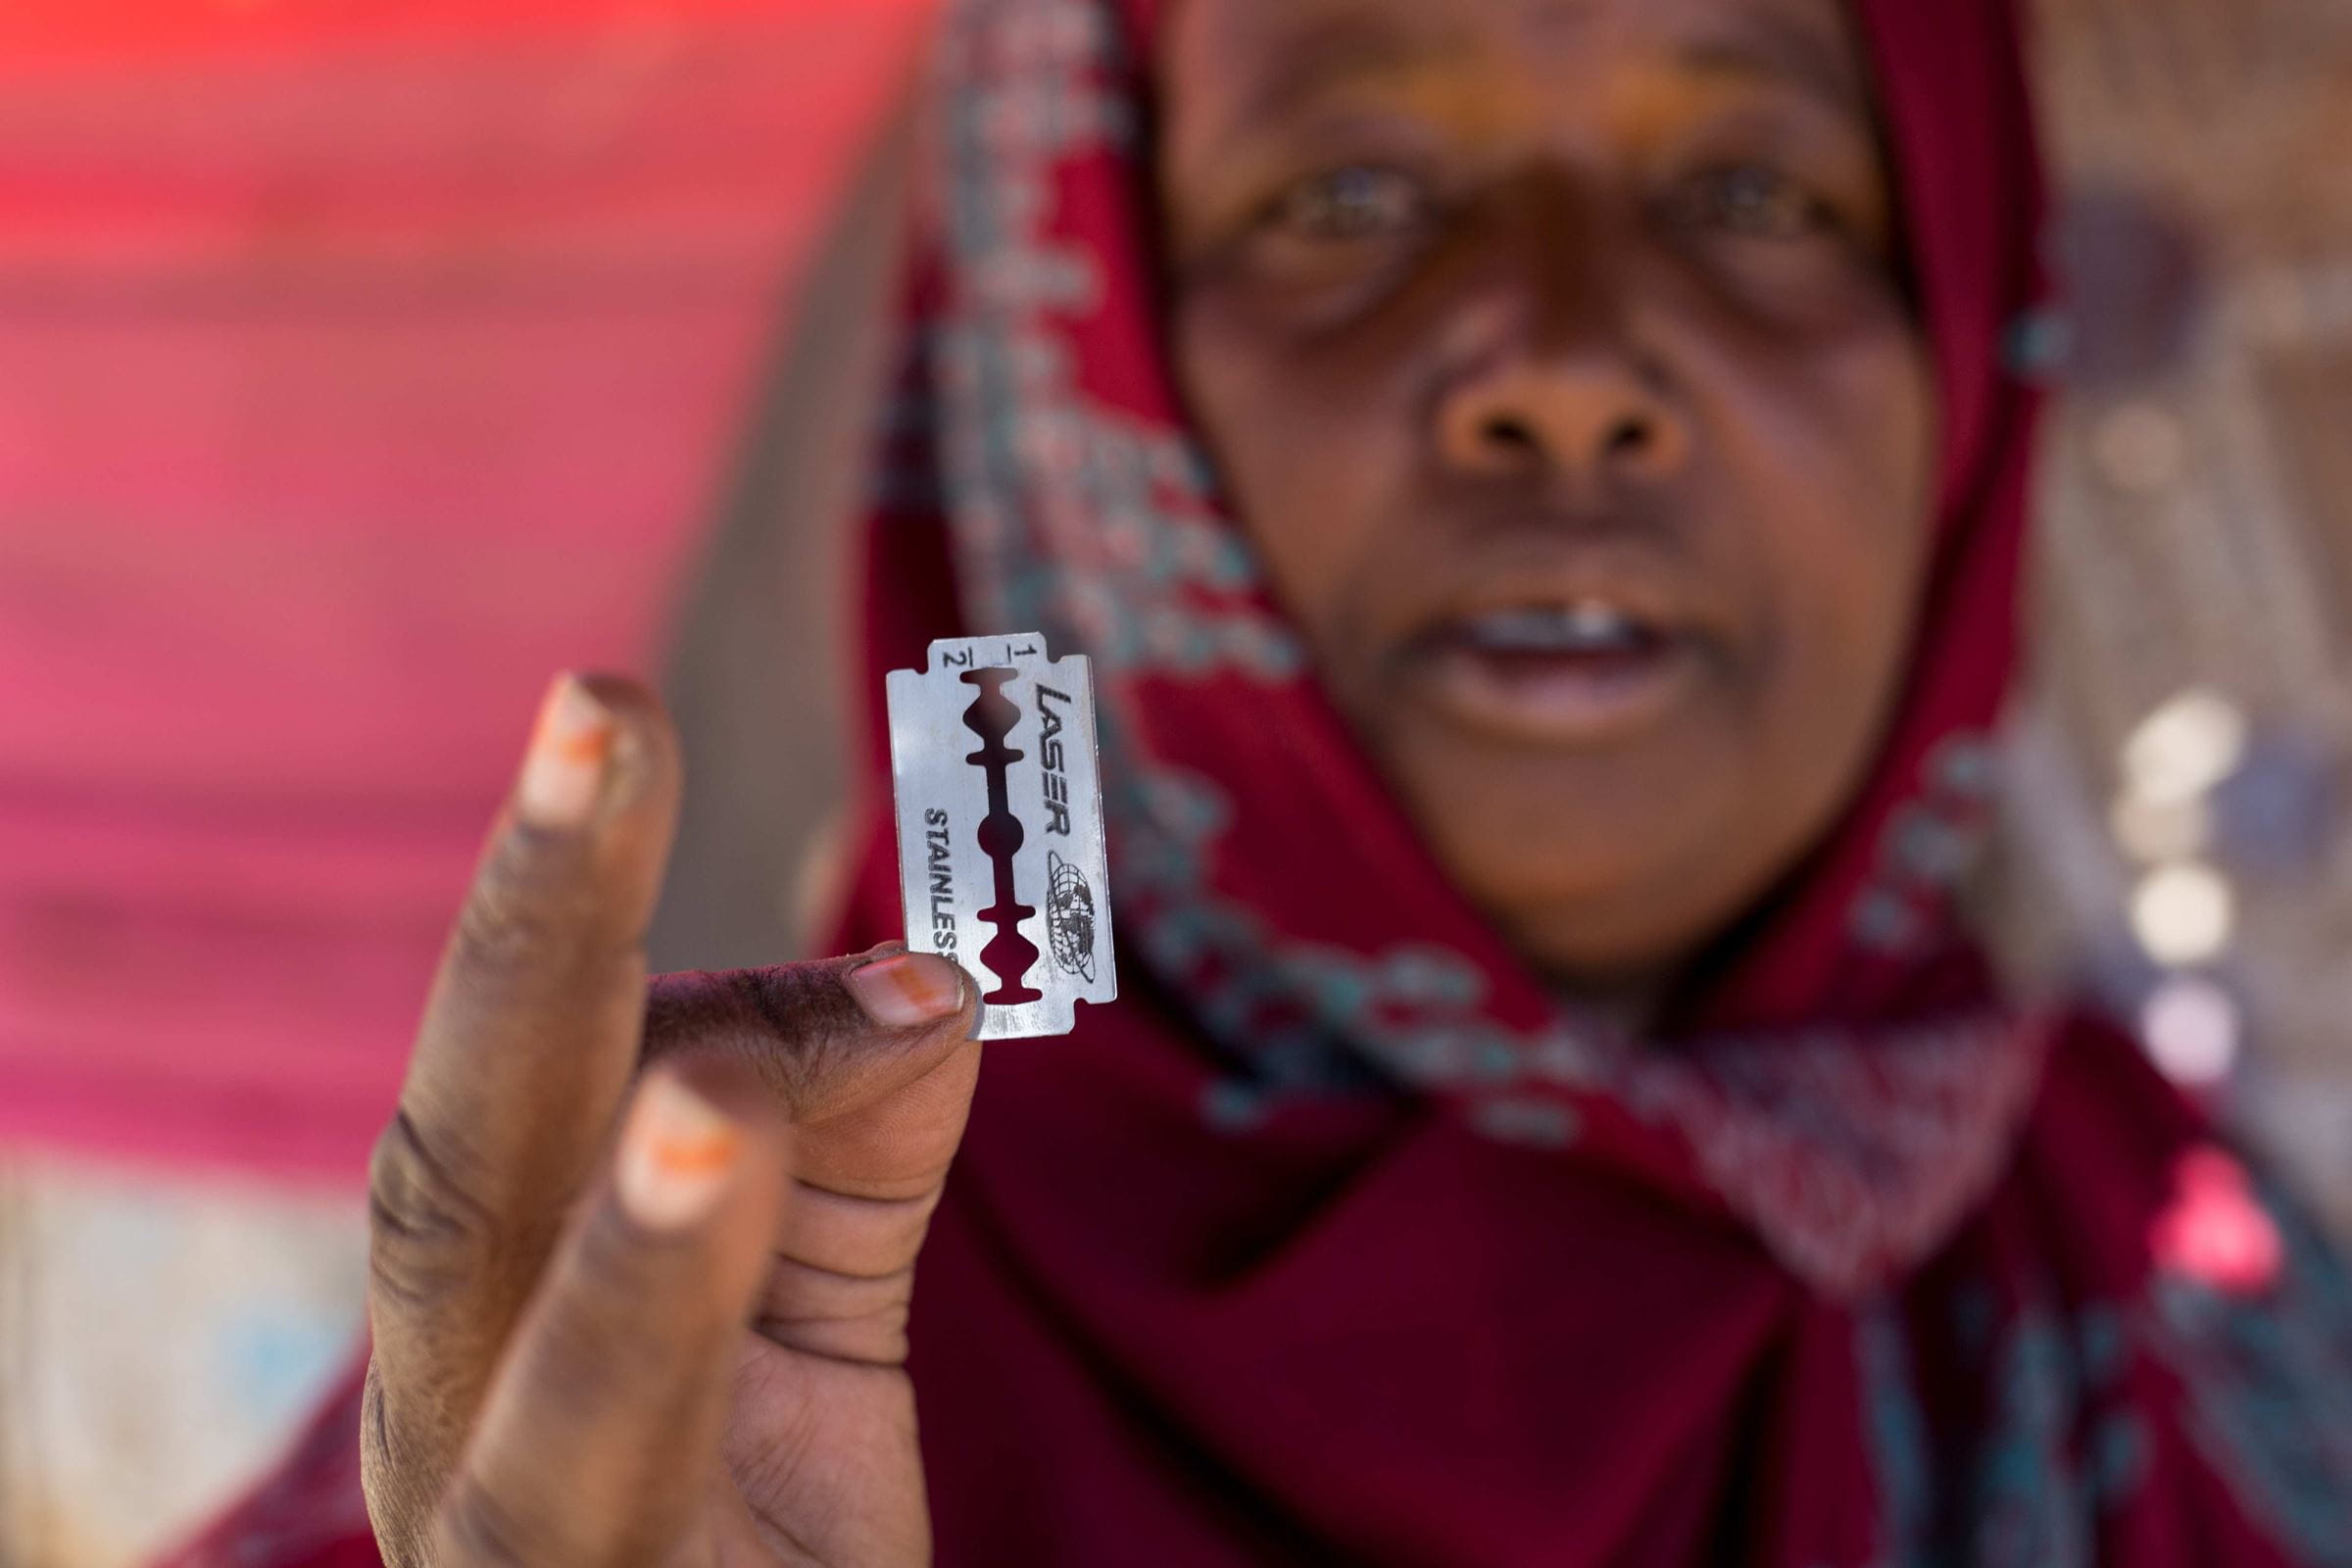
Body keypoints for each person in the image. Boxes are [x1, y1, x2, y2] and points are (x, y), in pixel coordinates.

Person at [172, 0, 2352, 1562]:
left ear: (1969, 340)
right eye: (1352, 192)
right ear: (1066, 391)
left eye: (1753, 188)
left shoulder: (2231, 1332)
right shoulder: (642, 1420)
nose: (1568, 368)